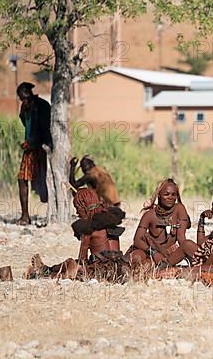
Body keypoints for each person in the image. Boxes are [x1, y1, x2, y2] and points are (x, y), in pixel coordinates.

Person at [24, 188, 129, 282]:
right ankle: (45, 269)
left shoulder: (89, 228)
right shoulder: (111, 222)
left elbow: (82, 260)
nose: (77, 212)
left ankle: (44, 273)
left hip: (100, 273)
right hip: (118, 271)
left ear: (84, 206)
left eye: (77, 207)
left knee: (71, 264)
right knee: (73, 265)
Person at [126, 179, 195, 267]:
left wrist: (189, 256)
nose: (170, 197)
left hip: (167, 254)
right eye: (166, 194)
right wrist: (153, 253)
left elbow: (181, 239)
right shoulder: (149, 215)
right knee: (137, 258)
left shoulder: (179, 209)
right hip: (148, 251)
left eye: (173, 195)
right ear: (159, 195)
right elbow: (137, 240)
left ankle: (161, 266)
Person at [16, 82, 52, 225]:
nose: (23, 101)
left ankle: (55, 211)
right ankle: (25, 216)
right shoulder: (25, 108)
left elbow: (46, 127)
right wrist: (22, 113)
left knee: (45, 180)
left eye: (24, 97)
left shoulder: (42, 105)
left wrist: (45, 145)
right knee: (22, 179)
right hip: (29, 148)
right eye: (21, 98)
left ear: (29, 93)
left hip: (41, 148)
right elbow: (27, 125)